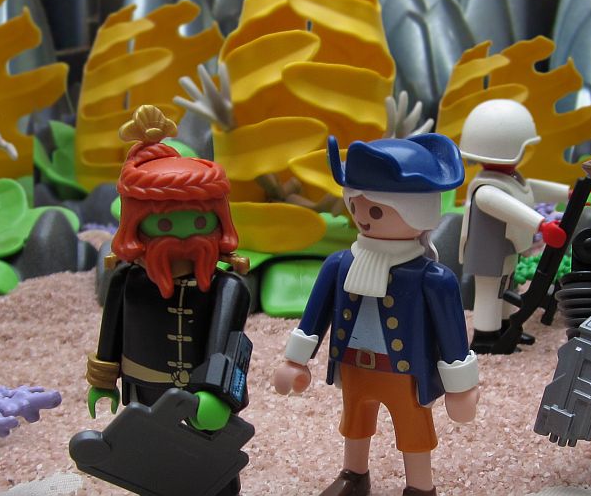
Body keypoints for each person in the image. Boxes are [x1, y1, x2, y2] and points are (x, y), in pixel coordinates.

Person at [274, 133, 479, 496]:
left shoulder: (433, 278)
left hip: (405, 372)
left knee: (413, 429)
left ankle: (420, 487)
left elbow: (453, 336)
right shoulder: (339, 264)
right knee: (355, 422)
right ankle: (354, 475)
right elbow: (314, 317)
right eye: (356, 206)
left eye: (376, 211)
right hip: (353, 365)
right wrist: (295, 360)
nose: (363, 219)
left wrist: (461, 388)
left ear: (416, 212)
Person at [84, 105, 252, 495]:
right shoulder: (127, 280)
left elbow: (230, 345)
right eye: (163, 224)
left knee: (214, 468)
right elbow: (111, 333)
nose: (183, 238)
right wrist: (103, 381)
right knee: (152, 465)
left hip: (201, 396)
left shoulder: (227, 287)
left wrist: (219, 393)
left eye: (200, 222)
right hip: (144, 391)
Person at [458, 99, 569, 353]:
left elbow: (530, 189)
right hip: (488, 254)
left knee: (507, 288)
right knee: (489, 293)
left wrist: (566, 193)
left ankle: (508, 328)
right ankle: (486, 338)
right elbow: (508, 207)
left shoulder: (509, 178)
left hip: (506, 248)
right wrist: (541, 225)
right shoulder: (485, 189)